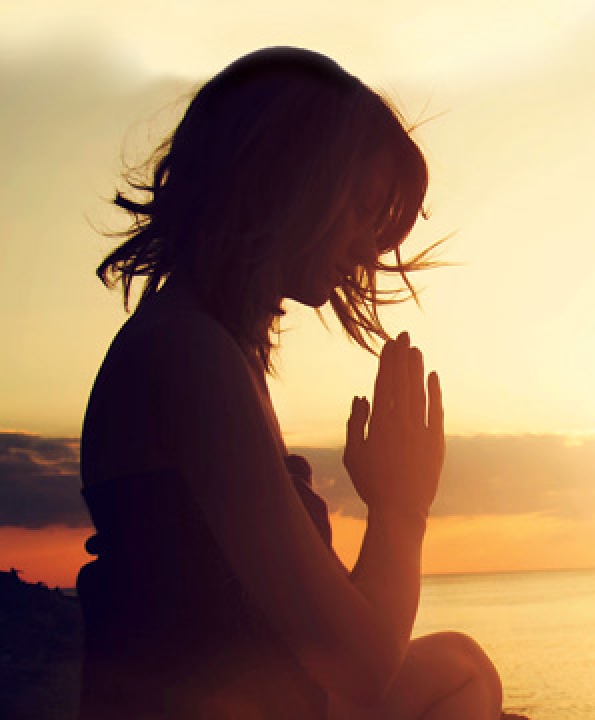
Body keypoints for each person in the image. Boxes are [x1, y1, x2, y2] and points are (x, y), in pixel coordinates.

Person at [77, 47, 505, 719]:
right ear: (283, 183)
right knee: (460, 674)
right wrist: (401, 513)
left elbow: (348, 639)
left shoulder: (208, 347)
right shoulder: (191, 354)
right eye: (360, 210)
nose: (369, 250)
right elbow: (360, 669)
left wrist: (393, 504)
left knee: (461, 668)